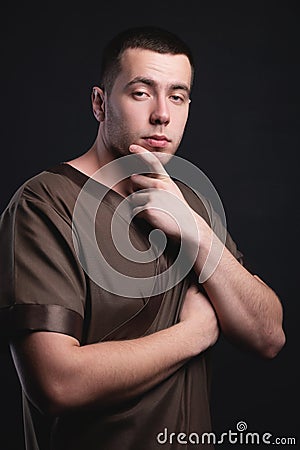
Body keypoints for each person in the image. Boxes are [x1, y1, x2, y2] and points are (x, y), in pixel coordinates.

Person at [0, 26, 285, 450]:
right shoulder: (45, 203)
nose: (162, 115)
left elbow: (268, 335)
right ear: (99, 104)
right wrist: (195, 334)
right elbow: (57, 384)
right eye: (140, 92)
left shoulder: (186, 201)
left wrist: (197, 235)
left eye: (177, 96)